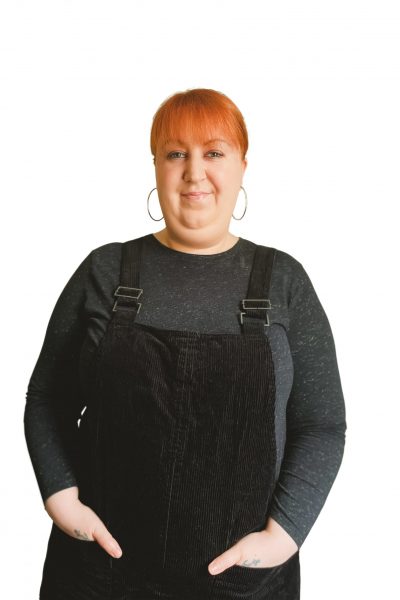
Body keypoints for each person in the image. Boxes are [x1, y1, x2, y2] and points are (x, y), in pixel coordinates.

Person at [24, 87, 347, 600]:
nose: (195, 172)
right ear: (155, 165)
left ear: (243, 164)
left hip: (243, 585)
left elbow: (322, 424)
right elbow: (47, 399)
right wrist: (62, 500)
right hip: (97, 577)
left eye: (213, 152)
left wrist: (282, 537)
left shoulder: (284, 282)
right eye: (177, 153)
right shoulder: (104, 272)